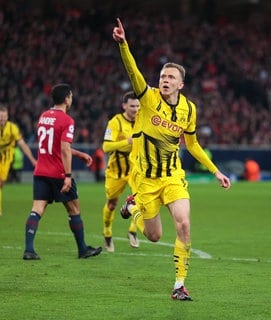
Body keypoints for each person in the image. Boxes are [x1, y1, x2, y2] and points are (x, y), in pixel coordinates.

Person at [113, 18, 231, 301]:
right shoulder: (148, 97)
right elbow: (133, 72)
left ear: (181, 84)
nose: (164, 80)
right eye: (163, 76)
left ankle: (179, 285)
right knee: (153, 236)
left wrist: (216, 171)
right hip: (145, 180)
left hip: (172, 177)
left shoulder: (189, 109)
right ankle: (135, 207)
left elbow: (192, 144)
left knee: (184, 225)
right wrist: (123, 45)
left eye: (170, 78)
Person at [22, 83, 102, 260]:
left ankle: (29, 249)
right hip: (58, 172)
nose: (71, 99)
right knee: (74, 209)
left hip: (41, 171)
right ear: (67, 99)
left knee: (37, 209)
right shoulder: (67, 120)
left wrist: (79, 153)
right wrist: (67, 176)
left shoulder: (43, 116)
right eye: (71, 96)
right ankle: (82, 249)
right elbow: (64, 149)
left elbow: (53, 146)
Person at [102, 91, 140, 252]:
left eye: (138, 106)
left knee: (141, 200)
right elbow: (106, 147)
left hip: (135, 169)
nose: (136, 109)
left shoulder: (142, 120)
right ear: (124, 106)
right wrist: (128, 141)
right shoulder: (115, 122)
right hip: (116, 171)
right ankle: (107, 234)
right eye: (132, 106)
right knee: (112, 203)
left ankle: (133, 231)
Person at [0, 105, 37, 216]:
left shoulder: (12, 129)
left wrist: (32, 160)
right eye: (0, 117)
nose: (2, 120)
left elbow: (23, 145)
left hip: (6, 160)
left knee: (0, 183)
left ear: (7, 117)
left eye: (3, 117)